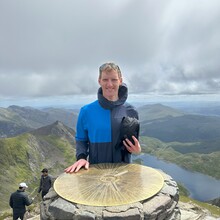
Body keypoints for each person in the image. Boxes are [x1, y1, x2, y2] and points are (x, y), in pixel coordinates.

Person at [65, 62, 141, 173]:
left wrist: (137, 150)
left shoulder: (131, 111)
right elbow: (81, 140)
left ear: (120, 81)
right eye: (105, 80)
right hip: (96, 174)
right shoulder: (86, 111)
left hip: (124, 175)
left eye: (114, 80)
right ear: (99, 81)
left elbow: (134, 143)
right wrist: (81, 158)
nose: (109, 84)